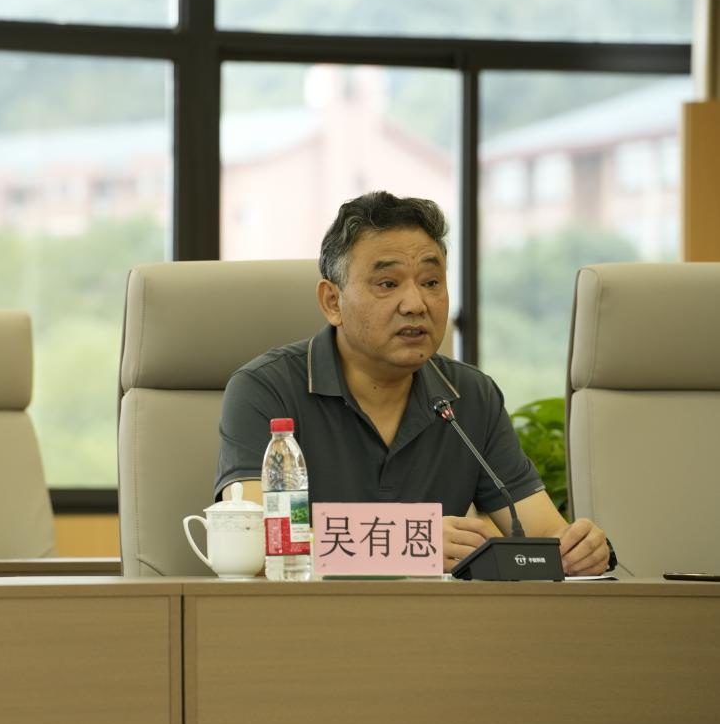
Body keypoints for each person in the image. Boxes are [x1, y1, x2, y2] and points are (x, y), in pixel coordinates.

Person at [215, 191, 612, 575]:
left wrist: (577, 551)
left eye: (431, 282)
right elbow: (253, 543)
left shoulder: (471, 396)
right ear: (332, 302)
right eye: (388, 284)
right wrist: (411, 544)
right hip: (305, 616)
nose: (416, 304)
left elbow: (545, 535)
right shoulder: (265, 390)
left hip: (437, 618)